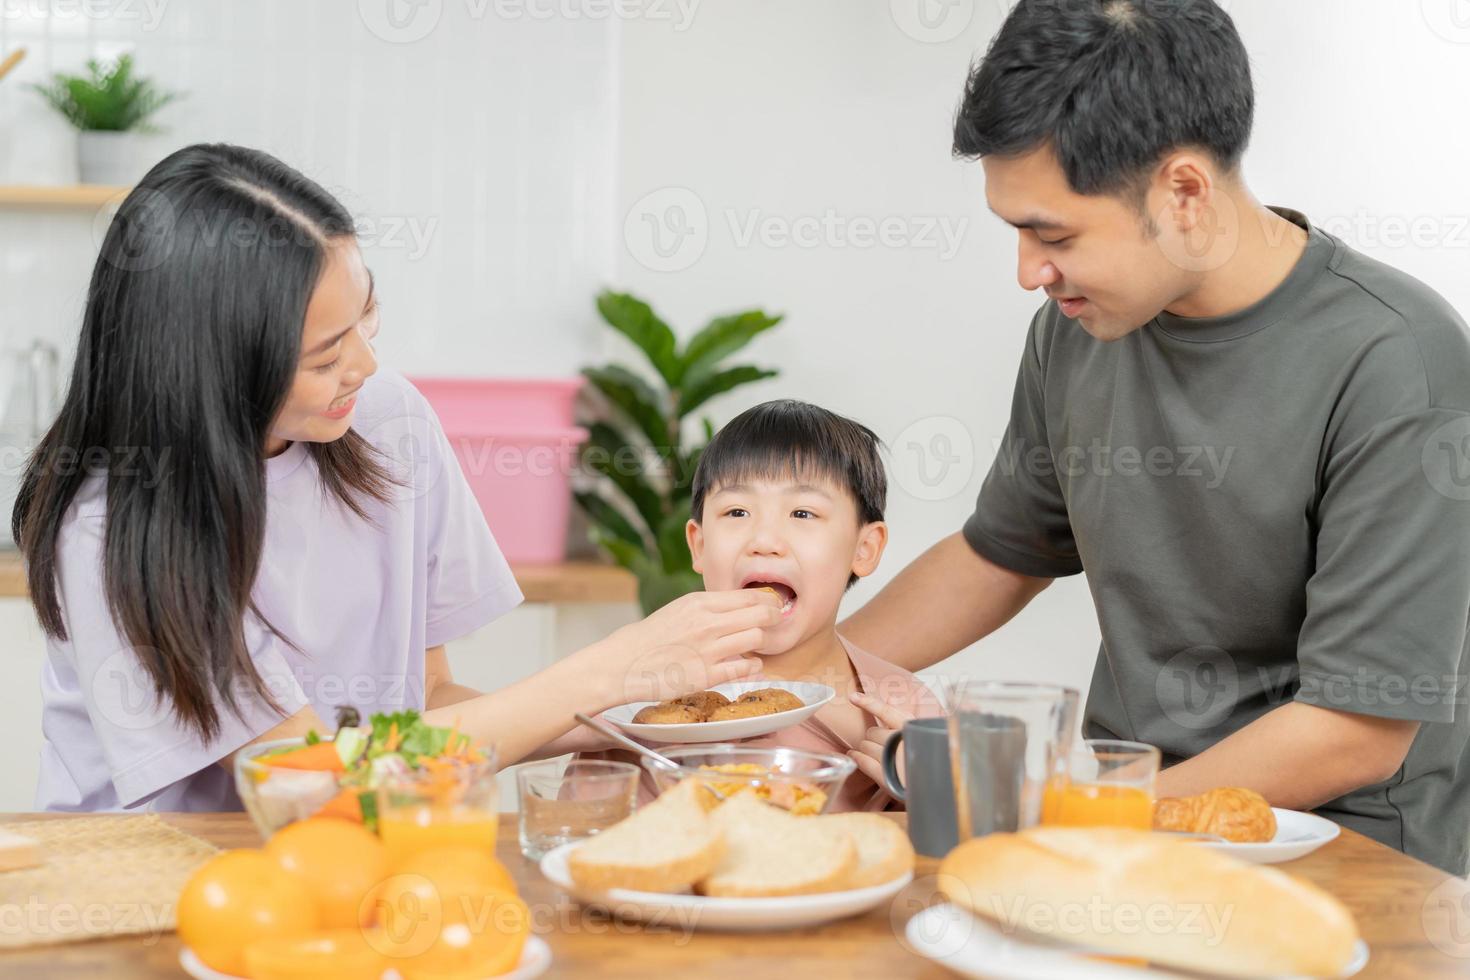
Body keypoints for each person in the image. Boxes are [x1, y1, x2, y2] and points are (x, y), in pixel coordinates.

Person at [842, 0, 1470, 873]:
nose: (1028, 272)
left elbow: (1354, 732)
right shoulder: (1078, 327)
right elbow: (1002, 553)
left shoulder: (1397, 357)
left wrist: (1071, 818)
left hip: (1339, 858)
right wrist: (811, 685)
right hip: (1122, 824)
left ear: (1182, 192)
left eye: (1051, 233)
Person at [19, 143, 780, 812]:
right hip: (151, 890)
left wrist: (633, 719)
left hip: (345, 857)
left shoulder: (387, 423)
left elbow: (431, 704)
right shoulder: (112, 526)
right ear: (211, 372)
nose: (366, 364)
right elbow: (308, 777)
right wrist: (605, 674)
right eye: (325, 355)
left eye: (367, 318)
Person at [581, 400, 942, 811]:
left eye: (803, 513)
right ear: (699, 545)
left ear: (864, 548)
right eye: (737, 511)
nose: (765, 540)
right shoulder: (639, 688)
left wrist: (933, 794)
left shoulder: (907, 709)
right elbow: (579, 838)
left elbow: (949, 851)